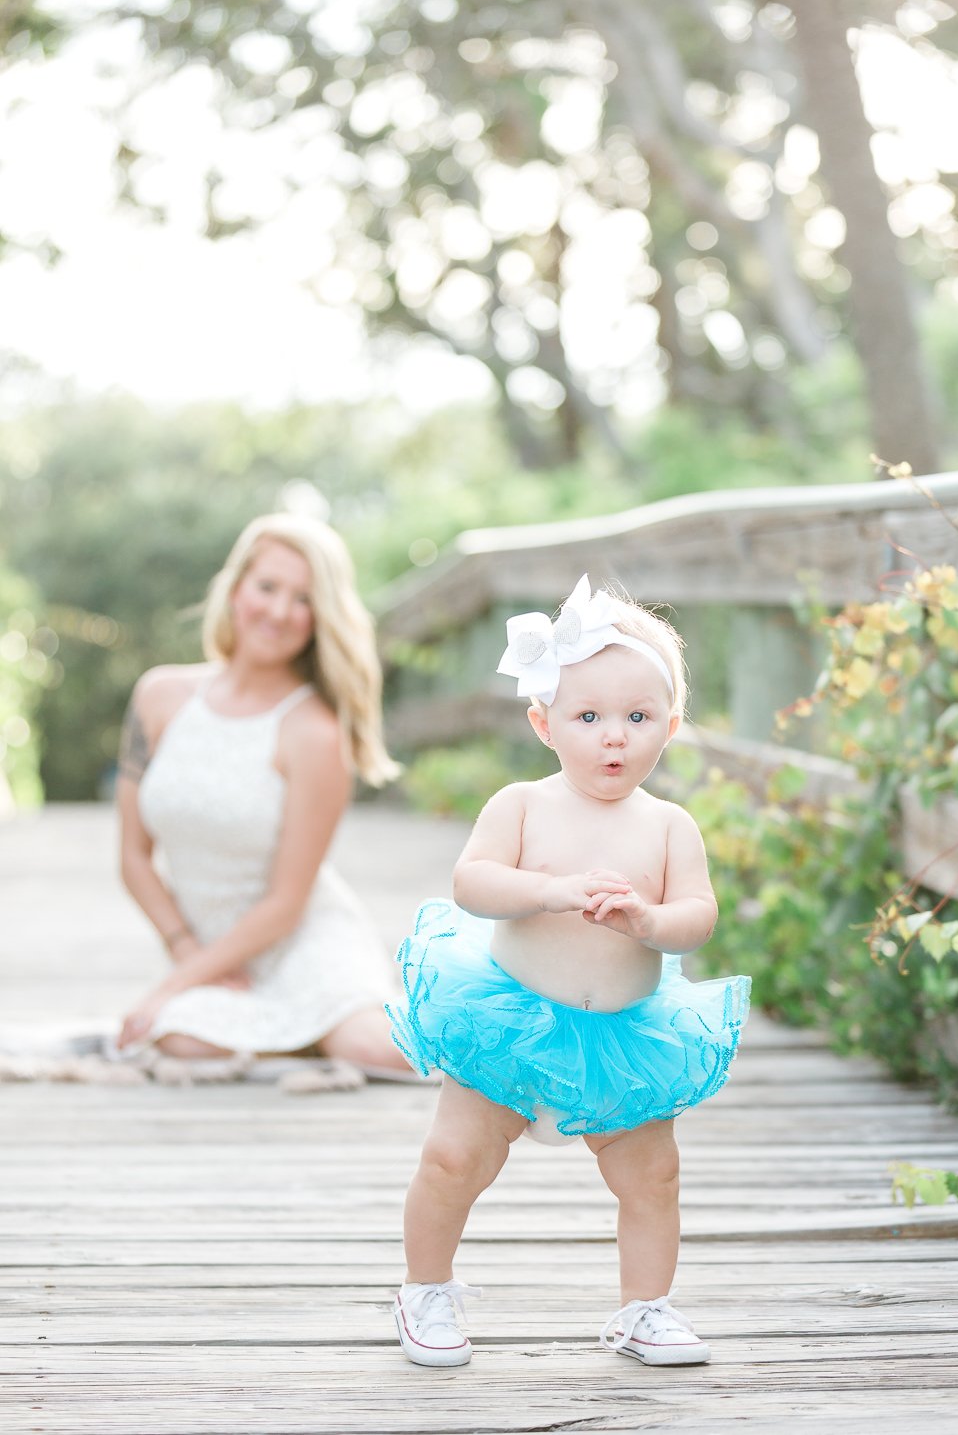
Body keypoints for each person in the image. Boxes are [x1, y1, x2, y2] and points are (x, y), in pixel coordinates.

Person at [387, 574, 750, 1367]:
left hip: (624, 1037)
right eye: (588, 717)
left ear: (671, 725)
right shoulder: (522, 804)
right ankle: (425, 1287)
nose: (613, 737)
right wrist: (547, 891)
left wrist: (651, 922)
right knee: (456, 1158)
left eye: (637, 717)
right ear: (543, 721)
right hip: (510, 1023)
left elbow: (700, 913)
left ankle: (645, 1308)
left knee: (652, 1177)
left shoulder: (668, 826)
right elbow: (472, 883)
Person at [114, 511, 414, 1079]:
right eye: (268, 587)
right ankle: (304, 1042)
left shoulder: (315, 733)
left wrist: (177, 983)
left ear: (320, 618)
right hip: (209, 953)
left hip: (301, 942)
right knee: (181, 1039)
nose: (278, 611)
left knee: (375, 1051)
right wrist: (189, 959)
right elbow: (132, 858)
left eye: (302, 599)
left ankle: (508, 1046)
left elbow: (288, 901)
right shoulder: (159, 695)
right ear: (235, 589)